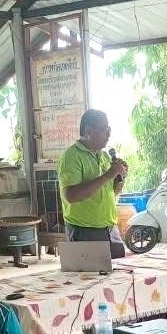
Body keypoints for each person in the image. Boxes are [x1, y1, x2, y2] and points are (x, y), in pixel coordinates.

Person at [57, 109, 128, 258]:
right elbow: (71, 196)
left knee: (118, 271)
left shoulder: (103, 156)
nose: (108, 133)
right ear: (88, 130)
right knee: (90, 273)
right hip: (84, 231)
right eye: (104, 129)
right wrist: (107, 175)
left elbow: (112, 192)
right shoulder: (72, 156)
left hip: (109, 228)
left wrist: (120, 177)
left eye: (109, 129)